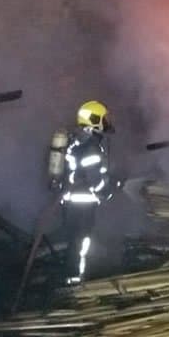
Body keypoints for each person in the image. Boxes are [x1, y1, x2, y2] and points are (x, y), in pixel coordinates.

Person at [54, 100, 123, 285]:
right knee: (81, 244)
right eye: (103, 118)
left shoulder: (78, 141)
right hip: (82, 205)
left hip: (71, 203)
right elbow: (94, 180)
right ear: (94, 120)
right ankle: (75, 281)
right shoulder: (91, 146)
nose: (107, 122)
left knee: (74, 242)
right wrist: (109, 189)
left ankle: (71, 276)